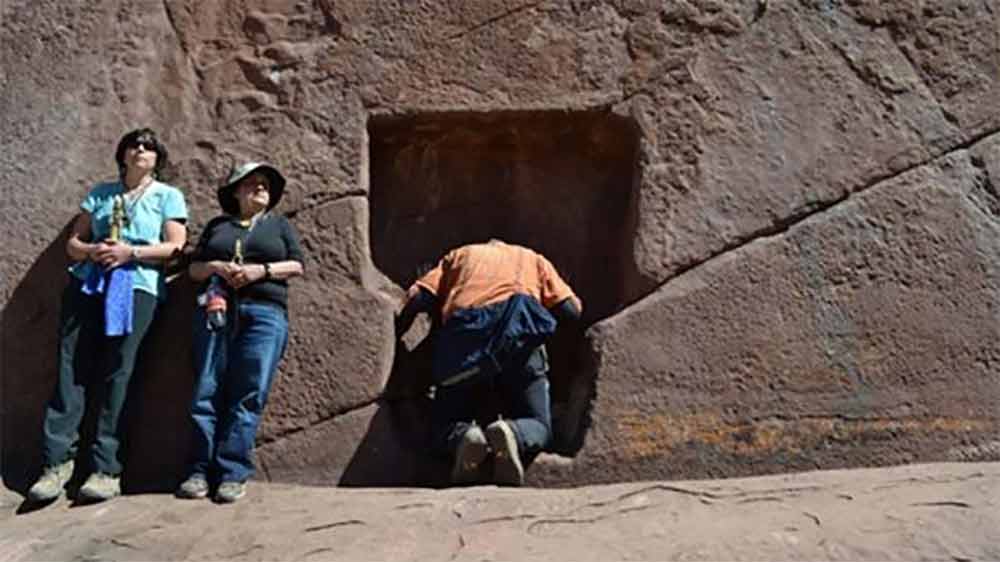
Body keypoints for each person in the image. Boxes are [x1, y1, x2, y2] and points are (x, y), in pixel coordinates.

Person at [28, 128, 189, 503]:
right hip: (90, 283)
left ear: (158, 157)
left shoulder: (167, 196)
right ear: (122, 153)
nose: (140, 150)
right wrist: (92, 250)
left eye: (149, 146)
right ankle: (56, 465)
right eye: (134, 145)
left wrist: (129, 253)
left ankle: (106, 468)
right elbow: (73, 243)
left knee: (120, 371)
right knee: (72, 367)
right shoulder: (101, 193)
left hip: (134, 286)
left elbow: (176, 247)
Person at [396, 239, 582, 486]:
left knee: (444, 423)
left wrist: (396, 333)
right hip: (518, 341)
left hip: (465, 346)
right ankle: (513, 434)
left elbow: (418, 298)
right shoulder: (531, 258)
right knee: (539, 424)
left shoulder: (459, 256)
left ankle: (465, 437)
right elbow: (571, 310)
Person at [176, 162, 304, 503]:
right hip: (216, 310)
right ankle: (198, 470)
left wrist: (258, 271)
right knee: (206, 388)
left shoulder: (280, 225)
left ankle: (232, 472)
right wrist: (217, 267)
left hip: (264, 313)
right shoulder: (219, 227)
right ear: (235, 192)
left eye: (264, 184)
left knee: (249, 392)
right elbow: (193, 269)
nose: (260, 187)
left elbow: (296, 265)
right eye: (251, 183)